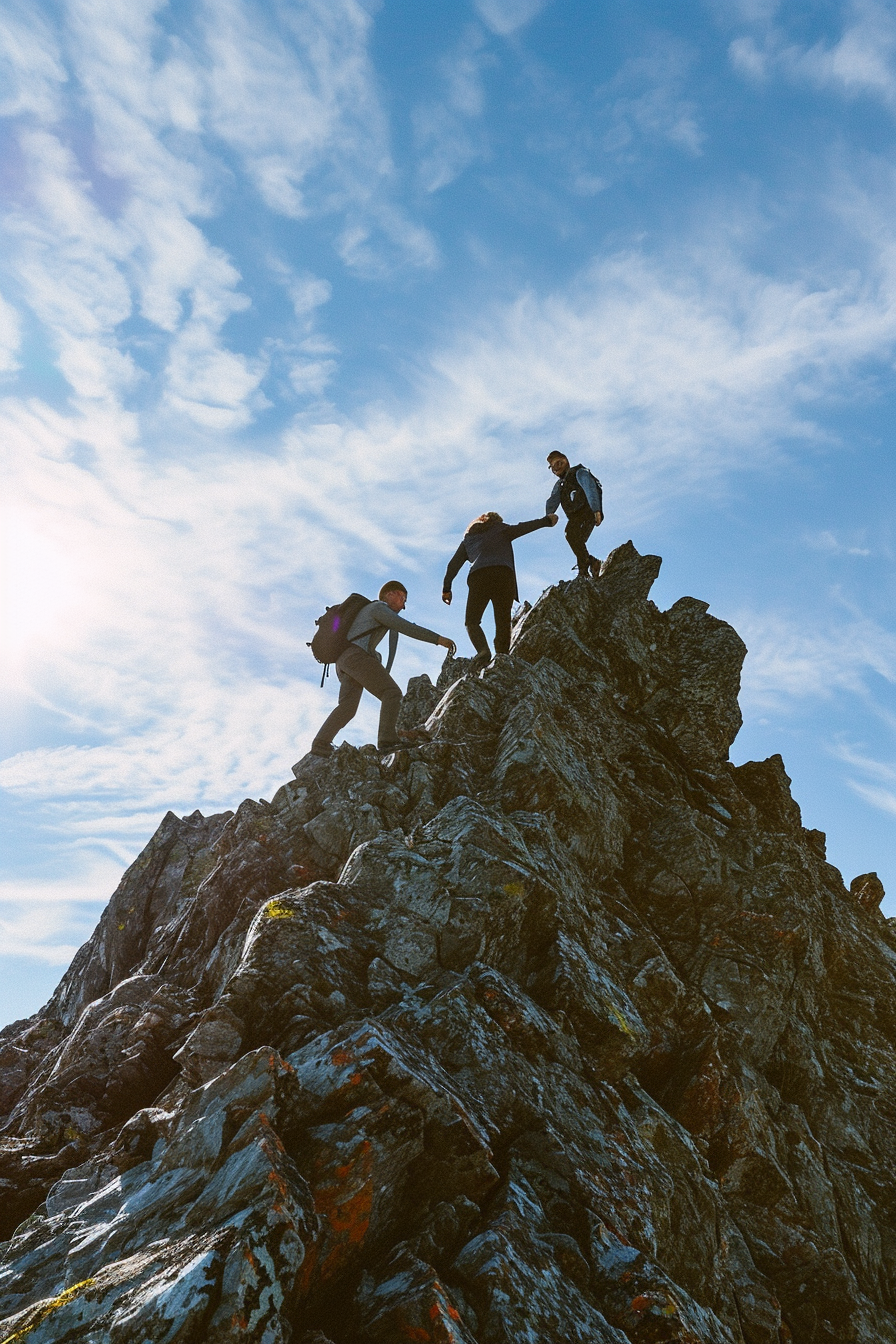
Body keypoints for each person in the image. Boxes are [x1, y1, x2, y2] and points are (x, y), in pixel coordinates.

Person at [310, 582, 455, 758]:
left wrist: (377, 662)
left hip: (343, 663)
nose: (403, 604)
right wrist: (438, 639)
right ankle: (387, 741)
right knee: (391, 693)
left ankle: (320, 743)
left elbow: (380, 641)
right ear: (389, 594)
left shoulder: (372, 612)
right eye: (402, 597)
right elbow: (406, 627)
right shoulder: (378, 608)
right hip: (355, 657)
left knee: (348, 707)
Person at [442, 511, 557, 661]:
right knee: (502, 620)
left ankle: (483, 651)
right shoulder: (501, 529)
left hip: (479, 577)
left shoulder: (469, 539)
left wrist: (446, 589)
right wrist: (546, 521)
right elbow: (523, 528)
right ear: (496, 521)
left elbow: (453, 565)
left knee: (472, 621)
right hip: (503, 575)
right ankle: (502, 657)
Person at [544, 452, 604, 578]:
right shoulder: (560, 485)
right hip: (575, 516)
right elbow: (552, 501)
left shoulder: (579, 472)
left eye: (559, 463)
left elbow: (590, 488)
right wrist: (548, 517)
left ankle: (584, 569)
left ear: (566, 460)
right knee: (576, 540)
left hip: (587, 512)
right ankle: (592, 563)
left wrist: (596, 509)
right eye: (552, 467)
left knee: (572, 535)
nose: (556, 468)